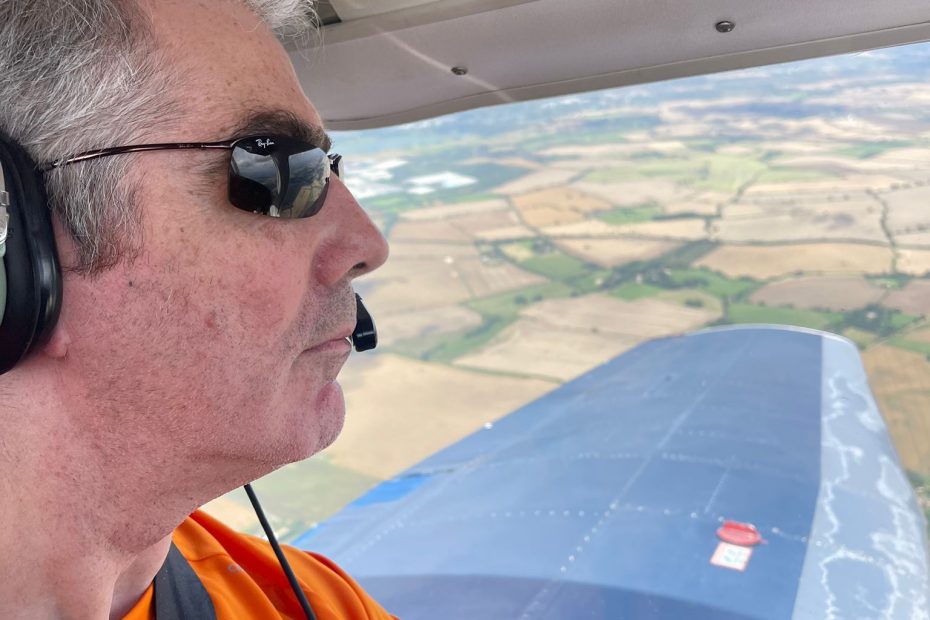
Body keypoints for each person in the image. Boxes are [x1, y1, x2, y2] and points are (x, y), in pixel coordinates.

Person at [0, 0, 394, 618]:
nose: (368, 246)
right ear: (17, 256)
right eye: (278, 169)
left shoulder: (318, 603)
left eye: (327, 170)